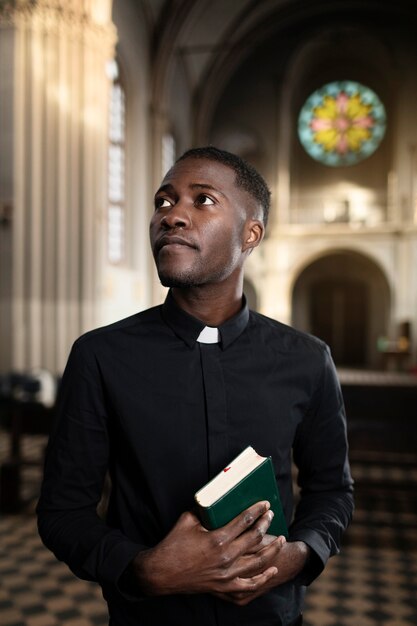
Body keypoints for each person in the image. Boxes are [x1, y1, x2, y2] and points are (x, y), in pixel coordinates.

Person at [37, 146, 354, 626]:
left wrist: (301, 554)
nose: (173, 215)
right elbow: (62, 512)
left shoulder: (307, 359)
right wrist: (144, 569)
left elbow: (332, 490)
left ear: (251, 234)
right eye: (164, 202)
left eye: (202, 200)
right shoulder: (100, 356)